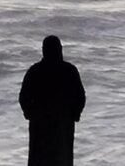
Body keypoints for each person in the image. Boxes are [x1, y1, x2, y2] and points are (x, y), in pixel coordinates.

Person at [19, 36, 86, 166]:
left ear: (44, 50)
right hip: (63, 122)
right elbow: (80, 96)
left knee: (39, 158)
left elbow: (23, 97)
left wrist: (30, 114)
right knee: (62, 157)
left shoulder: (35, 70)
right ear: (60, 49)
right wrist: (75, 114)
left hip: (39, 122)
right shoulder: (69, 70)